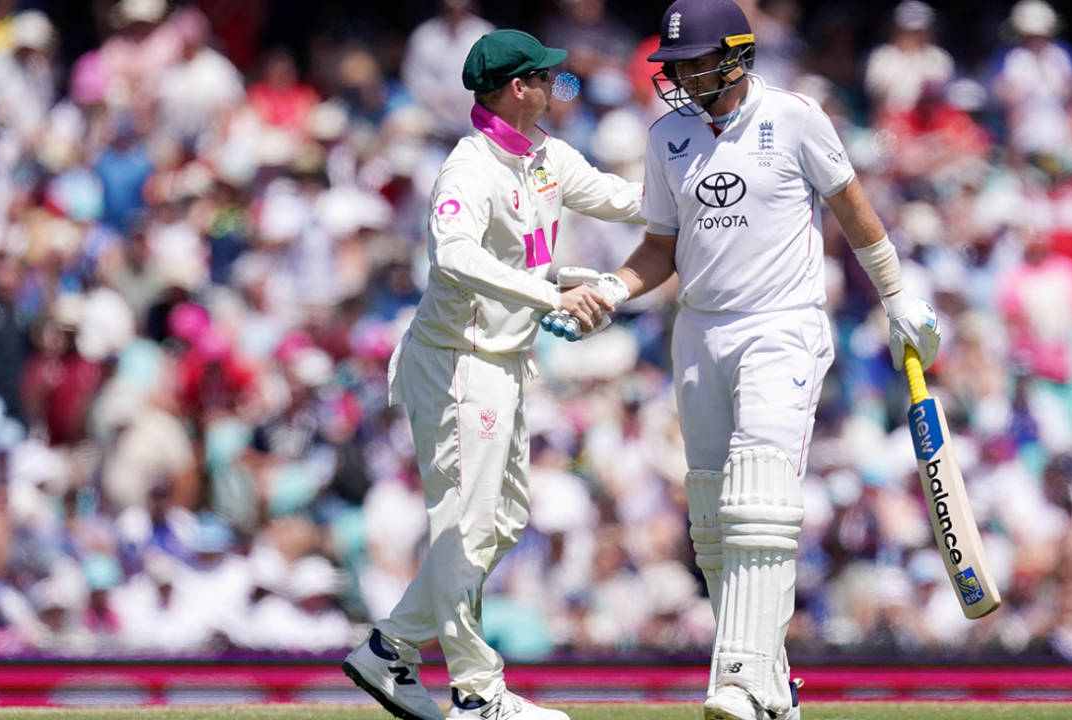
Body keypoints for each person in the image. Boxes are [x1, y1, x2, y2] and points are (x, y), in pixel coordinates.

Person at [594, 1, 940, 718]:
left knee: (759, 493)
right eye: (677, 65)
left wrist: (897, 294)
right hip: (700, 330)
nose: (685, 76)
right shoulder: (667, 138)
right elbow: (661, 248)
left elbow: (852, 207)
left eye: (698, 61)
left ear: (739, 55)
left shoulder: (796, 117)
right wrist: (609, 288)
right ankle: (771, 688)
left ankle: (743, 677)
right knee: (714, 514)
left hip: (782, 324)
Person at [342, 29, 644, 720]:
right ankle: (478, 693)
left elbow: (621, 199)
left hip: (502, 365)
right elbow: (453, 256)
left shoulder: (546, 156)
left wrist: (703, 187)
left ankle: (391, 650)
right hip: (455, 363)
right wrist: (551, 294)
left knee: (502, 520)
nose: (555, 89)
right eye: (547, 79)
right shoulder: (469, 168)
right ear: (519, 88)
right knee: (469, 524)